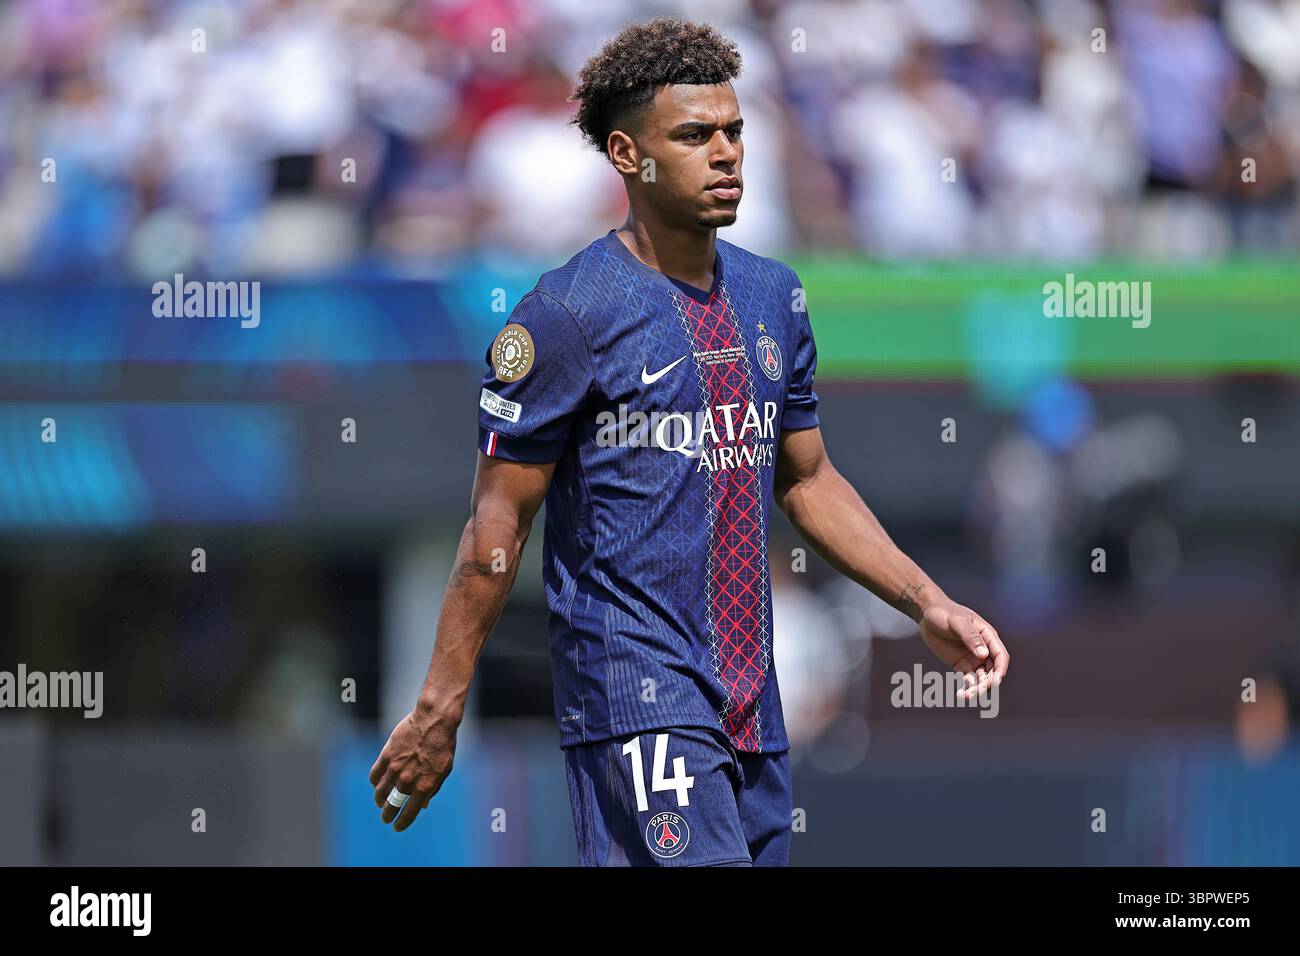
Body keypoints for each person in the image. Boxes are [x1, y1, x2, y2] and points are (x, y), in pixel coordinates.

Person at [369, 16, 1009, 867]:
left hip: (752, 701)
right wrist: (440, 705)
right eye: (695, 135)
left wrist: (927, 599)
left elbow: (809, 482)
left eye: (735, 132)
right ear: (629, 156)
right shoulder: (567, 316)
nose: (727, 153)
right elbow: (495, 532)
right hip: (636, 694)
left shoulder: (773, 297)